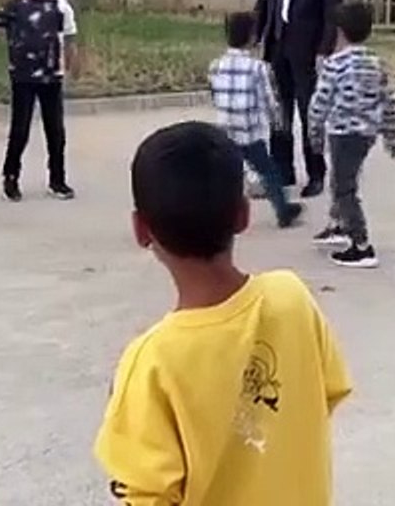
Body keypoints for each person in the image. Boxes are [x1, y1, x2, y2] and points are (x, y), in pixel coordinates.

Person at [95, 121, 352, 505]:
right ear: (243, 215)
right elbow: (326, 392)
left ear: (141, 229)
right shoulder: (292, 298)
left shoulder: (151, 363)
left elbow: (145, 495)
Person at [254, 0, 344, 199]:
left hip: (308, 49)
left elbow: (333, 9)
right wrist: (254, 37)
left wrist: (325, 49)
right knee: (278, 112)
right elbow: (265, 2)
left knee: (309, 113)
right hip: (277, 47)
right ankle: (281, 171)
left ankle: (316, 173)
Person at [308, 2, 395, 269]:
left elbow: (320, 102)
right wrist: (391, 136)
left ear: (339, 32)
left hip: (342, 132)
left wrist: (314, 133)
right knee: (344, 178)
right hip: (366, 134)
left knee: (344, 187)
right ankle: (339, 225)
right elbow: (389, 102)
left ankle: (361, 245)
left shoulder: (334, 64)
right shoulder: (377, 63)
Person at [0, 0, 78, 202]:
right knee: (20, 129)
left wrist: (70, 65)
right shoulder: (15, 7)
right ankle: (11, 176)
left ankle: (57, 180)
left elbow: (69, 39)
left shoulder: (60, 7)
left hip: (51, 77)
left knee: (55, 131)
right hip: (23, 77)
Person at [209, 11, 304, 228]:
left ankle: (225, 217)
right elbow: (268, 100)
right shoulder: (258, 68)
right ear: (253, 37)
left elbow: (215, 94)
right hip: (249, 130)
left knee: (229, 176)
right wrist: (278, 122)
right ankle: (283, 210)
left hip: (225, 127)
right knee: (268, 170)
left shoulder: (216, 65)